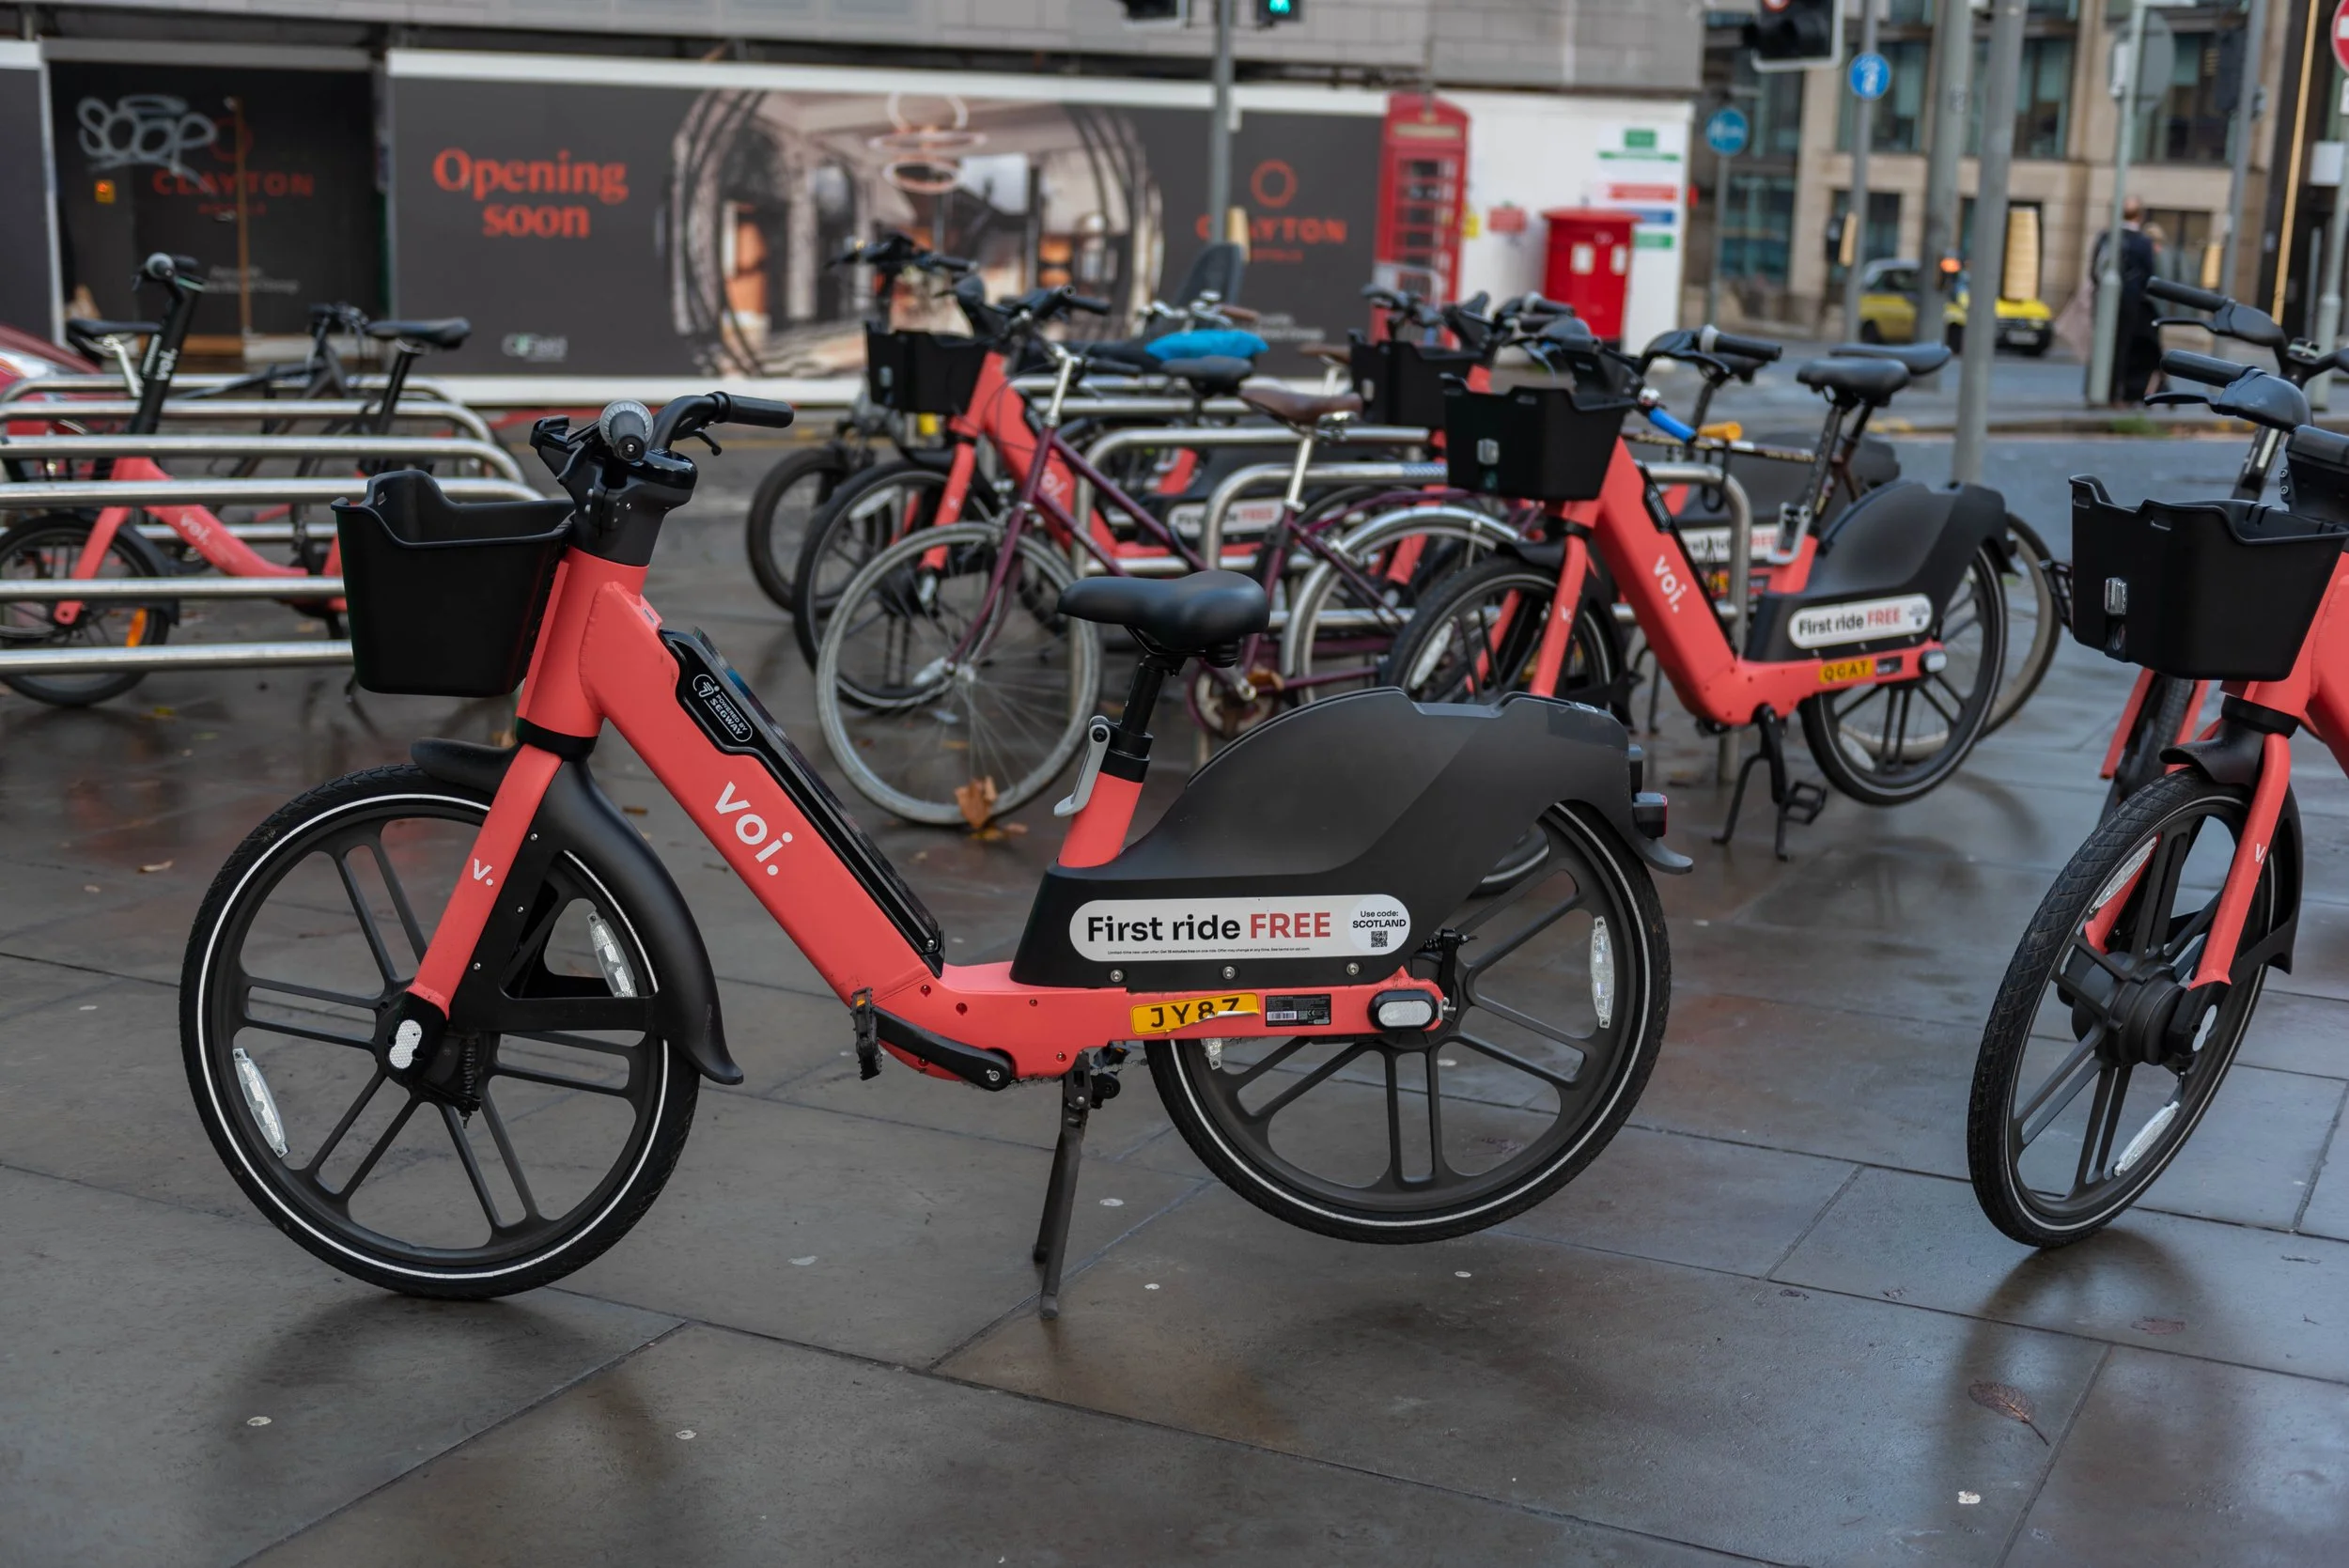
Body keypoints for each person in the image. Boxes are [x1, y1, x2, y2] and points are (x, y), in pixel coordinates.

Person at [2089, 197, 2161, 403]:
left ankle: (2096, 390)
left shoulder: (2106, 237)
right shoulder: (2142, 242)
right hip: (2130, 302)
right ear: (2139, 216)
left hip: (2103, 300)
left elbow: (2093, 272)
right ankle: (2115, 394)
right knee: (2123, 348)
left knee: (2101, 345)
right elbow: (2149, 276)